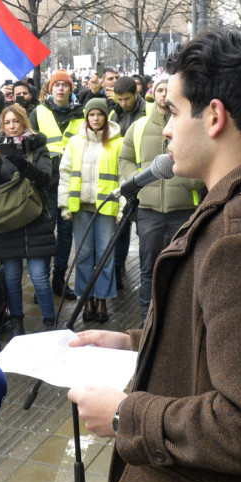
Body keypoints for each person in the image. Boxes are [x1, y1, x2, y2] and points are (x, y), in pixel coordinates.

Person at [68, 29, 241, 482]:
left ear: (214, 115)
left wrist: (125, 414)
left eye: (174, 112)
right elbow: (232, 339)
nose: (169, 129)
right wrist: (138, 343)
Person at [117, 75, 204, 323]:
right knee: (148, 268)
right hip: (149, 211)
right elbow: (124, 158)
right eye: (160, 90)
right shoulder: (139, 126)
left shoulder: (191, 124)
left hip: (184, 209)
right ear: (152, 94)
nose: (164, 95)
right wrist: (138, 182)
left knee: (183, 268)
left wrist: (188, 183)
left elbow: (204, 161)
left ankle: (180, 321)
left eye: (168, 90)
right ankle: (147, 320)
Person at [0, 104, 56, 337]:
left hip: (35, 220)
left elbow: (44, 179)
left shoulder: (38, 147)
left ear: (24, 122)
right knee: (13, 278)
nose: (12, 126)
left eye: (16, 121)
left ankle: (49, 323)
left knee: (39, 277)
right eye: (7, 122)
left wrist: (19, 161)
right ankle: (16, 322)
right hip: (8, 222)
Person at [58, 98, 121, 322]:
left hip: (106, 207)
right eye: (91, 114)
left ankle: (102, 299)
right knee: (83, 255)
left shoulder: (117, 143)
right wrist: (65, 204)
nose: (95, 118)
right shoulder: (75, 142)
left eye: (99, 114)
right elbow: (64, 174)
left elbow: (123, 177)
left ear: (106, 116)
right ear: (86, 117)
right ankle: (87, 300)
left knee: (105, 254)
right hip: (81, 207)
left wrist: (121, 208)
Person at [31, 69, 83, 300]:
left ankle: (59, 279)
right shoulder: (39, 112)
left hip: (71, 182)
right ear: (49, 89)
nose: (61, 88)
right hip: (46, 182)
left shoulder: (81, 115)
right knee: (43, 233)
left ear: (71, 89)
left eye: (65, 85)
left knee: (65, 233)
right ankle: (42, 283)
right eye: (57, 85)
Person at [107, 76, 148, 290]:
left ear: (136, 94)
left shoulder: (148, 112)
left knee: (144, 231)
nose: (123, 103)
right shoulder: (114, 113)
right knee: (120, 228)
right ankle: (117, 269)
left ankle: (146, 273)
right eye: (119, 99)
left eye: (127, 99)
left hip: (145, 178)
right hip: (121, 176)